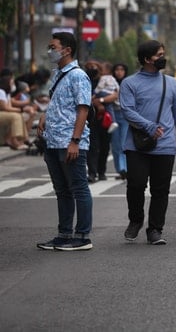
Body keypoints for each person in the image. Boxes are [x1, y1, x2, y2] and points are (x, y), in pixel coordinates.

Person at [120, 40, 176, 245]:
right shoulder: (130, 83)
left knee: (160, 190)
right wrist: (149, 126)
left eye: (163, 54)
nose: (163, 58)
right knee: (136, 184)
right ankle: (135, 220)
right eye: (159, 55)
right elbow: (127, 110)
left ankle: (155, 229)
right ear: (146, 59)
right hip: (137, 145)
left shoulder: (171, 83)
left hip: (165, 146)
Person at [35, 32, 94, 251]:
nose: (50, 51)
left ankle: (82, 236)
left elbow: (83, 109)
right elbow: (58, 103)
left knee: (78, 188)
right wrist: (44, 117)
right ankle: (64, 234)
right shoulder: (58, 73)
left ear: (66, 50)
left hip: (70, 140)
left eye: (53, 47)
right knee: (62, 190)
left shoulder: (78, 75)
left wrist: (75, 141)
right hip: (53, 140)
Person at [110, 63, 129, 179]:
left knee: (124, 143)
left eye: (122, 69)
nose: (119, 72)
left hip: (125, 116)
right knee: (115, 145)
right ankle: (119, 169)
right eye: (117, 69)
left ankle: (124, 168)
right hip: (113, 115)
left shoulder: (128, 83)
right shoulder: (109, 83)